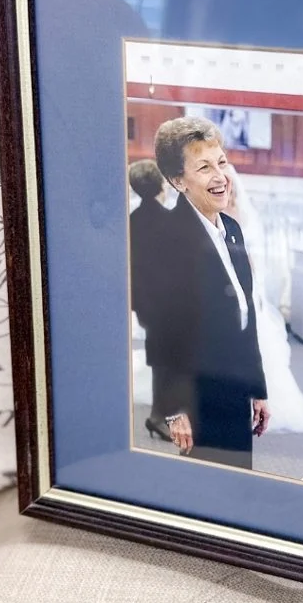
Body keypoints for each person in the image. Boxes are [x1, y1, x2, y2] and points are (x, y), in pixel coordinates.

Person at [151, 117, 270, 469]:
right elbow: (163, 330)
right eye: (204, 168)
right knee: (204, 488)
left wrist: (257, 388)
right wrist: (174, 409)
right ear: (178, 181)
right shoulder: (168, 239)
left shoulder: (231, 229)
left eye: (221, 163)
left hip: (235, 389)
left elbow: (245, 315)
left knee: (239, 482)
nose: (220, 177)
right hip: (197, 396)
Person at [224, 165, 303, 435]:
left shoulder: (240, 214)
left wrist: (255, 290)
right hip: (229, 285)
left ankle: (254, 402)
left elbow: (251, 258)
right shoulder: (221, 213)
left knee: (255, 346)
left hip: (246, 285)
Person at [128, 159, 174, 441]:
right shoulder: (168, 220)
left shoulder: (132, 220)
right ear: (160, 185)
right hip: (167, 303)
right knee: (167, 361)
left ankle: (161, 415)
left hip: (144, 302)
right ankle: (159, 416)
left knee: (161, 358)